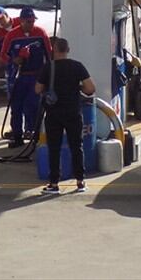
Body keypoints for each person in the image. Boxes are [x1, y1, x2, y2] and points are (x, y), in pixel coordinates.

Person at [35, 37, 96, 194]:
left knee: (54, 148)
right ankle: (80, 182)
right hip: (73, 112)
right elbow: (90, 89)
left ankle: (54, 184)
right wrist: (78, 87)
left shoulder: (48, 67)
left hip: (54, 113)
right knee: (77, 146)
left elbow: (37, 89)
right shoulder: (77, 66)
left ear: (54, 50)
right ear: (68, 50)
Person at [0, 7, 52, 148]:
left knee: (34, 106)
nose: (31, 24)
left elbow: (49, 54)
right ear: (21, 21)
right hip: (17, 77)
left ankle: (34, 133)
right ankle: (17, 135)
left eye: (32, 21)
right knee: (16, 107)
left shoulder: (40, 33)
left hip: (35, 76)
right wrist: (15, 60)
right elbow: (3, 55)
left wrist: (48, 76)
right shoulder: (12, 35)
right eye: (28, 21)